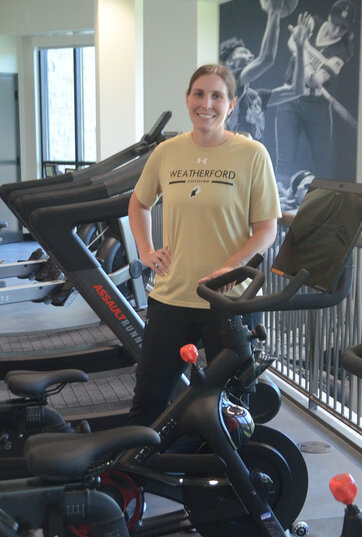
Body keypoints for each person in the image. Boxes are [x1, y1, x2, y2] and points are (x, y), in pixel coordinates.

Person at [127, 63, 281, 427]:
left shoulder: (252, 154)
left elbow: (266, 229)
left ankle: (225, 477)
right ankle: (136, 477)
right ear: (187, 99)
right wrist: (146, 251)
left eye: (217, 96)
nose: (206, 103)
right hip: (173, 294)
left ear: (231, 105)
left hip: (230, 300)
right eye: (199, 94)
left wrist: (232, 266)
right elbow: (139, 203)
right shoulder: (167, 152)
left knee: (230, 406)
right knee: (149, 400)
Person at [275, 0, 357, 190]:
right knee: (284, 162)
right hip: (288, 98)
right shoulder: (313, 22)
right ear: (329, 17)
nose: (336, 31)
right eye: (335, 24)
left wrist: (301, 52)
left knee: (324, 165)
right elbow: (291, 42)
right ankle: (277, 212)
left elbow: (313, 81)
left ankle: (323, 211)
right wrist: (300, 48)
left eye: (343, 29)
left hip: (316, 106)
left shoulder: (343, 51)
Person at [220, 2, 309, 143]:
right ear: (229, 62)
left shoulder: (255, 96)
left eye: (251, 54)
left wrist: (299, 48)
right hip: (234, 158)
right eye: (244, 53)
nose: (251, 56)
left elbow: (296, 90)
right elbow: (266, 59)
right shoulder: (229, 85)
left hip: (253, 158)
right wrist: (274, 12)